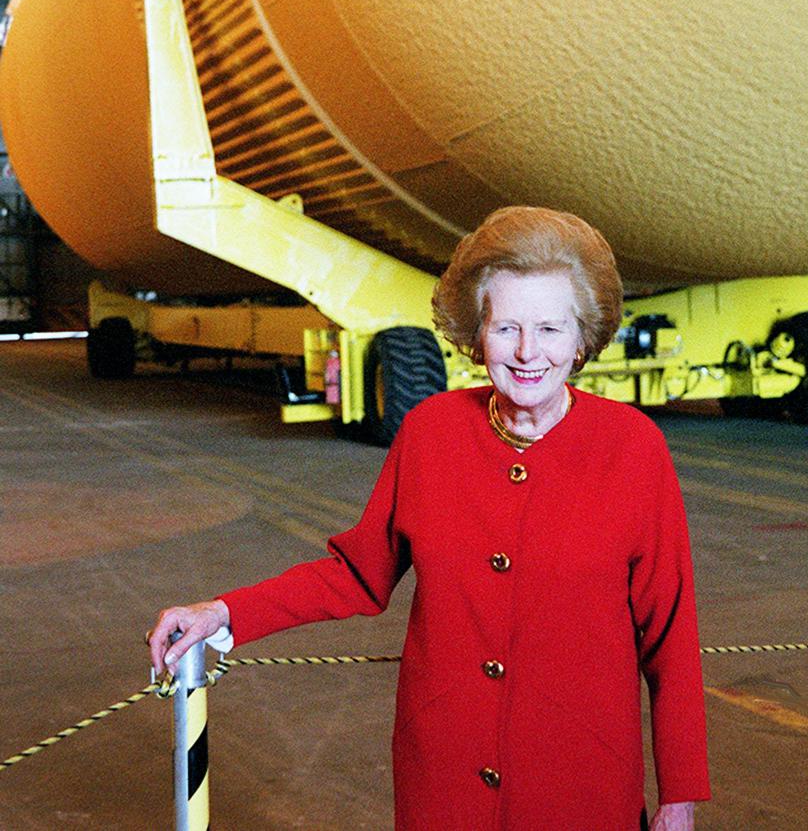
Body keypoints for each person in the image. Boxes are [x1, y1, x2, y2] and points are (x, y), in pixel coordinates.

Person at [148, 206, 710, 830]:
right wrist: (225, 613)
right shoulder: (429, 433)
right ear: (477, 335)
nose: (528, 352)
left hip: (583, 782)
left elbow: (670, 634)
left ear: (581, 340)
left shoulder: (633, 448)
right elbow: (357, 574)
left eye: (550, 329)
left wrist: (679, 795)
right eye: (506, 328)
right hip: (443, 775)